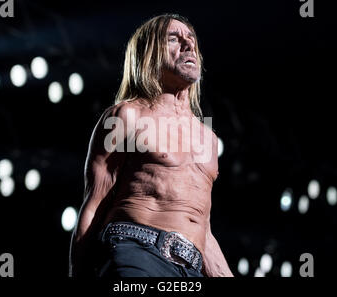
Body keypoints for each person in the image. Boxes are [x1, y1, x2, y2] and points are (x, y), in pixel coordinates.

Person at [69, 13, 233, 277]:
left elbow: (203, 228)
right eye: (174, 39)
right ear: (149, 54)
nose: (188, 45)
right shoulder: (125, 116)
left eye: (191, 40)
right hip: (136, 249)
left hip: (190, 267)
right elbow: (94, 205)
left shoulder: (208, 137)